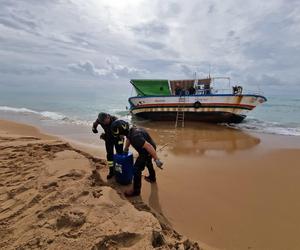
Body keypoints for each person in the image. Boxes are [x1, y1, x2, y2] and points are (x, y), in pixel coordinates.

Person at [111, 120, 163, 197]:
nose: (119, 137)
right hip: (150, 147)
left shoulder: (135, 136)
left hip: (147, 151)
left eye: (119, 135)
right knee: (148, 163)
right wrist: (126, 149)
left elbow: (148, 146)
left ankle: (136, 191)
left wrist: (157, 159)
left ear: (122, 132)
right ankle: (152, 178)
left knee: (136, 169)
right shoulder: (131, 130)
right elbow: (128, 139)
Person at [92, 112, 124, 179]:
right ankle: (111, 171)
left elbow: (123, 132)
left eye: (104, 122)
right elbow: (95, 124)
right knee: (109, 155)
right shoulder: (100, 120)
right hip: (108, 138)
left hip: (118, 138)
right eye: (102, 122)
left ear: (108, 117)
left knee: (119, 155)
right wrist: (94, 129)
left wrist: (121, 138)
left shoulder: (116, 120)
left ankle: (118, 170)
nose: (104, 123)